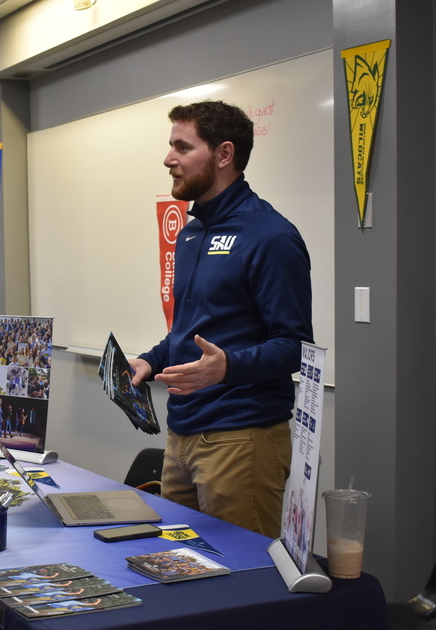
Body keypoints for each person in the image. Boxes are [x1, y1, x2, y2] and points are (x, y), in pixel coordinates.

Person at [128, 101, 313, 538]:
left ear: (224, 155)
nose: (168, 159)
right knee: (180, 566)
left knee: (240, 584)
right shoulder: (191, 232)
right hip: (182, 437)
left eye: (181, 147)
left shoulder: (270, 236)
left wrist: (227, 366)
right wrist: (151, 361)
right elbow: (191, 329)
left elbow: (295, 346)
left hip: (241, 439)